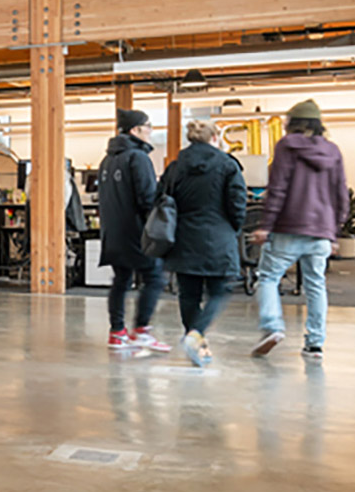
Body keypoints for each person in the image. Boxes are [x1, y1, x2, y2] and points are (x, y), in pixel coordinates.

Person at [248, 100, 346, 359]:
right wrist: (334, 231)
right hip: (321, 231)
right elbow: (341, 194)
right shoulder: (333, 151)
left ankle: (272, 326)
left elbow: (278, 188)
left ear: (292, 123)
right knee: (316, 285)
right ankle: (315, 343)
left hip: (288, 227)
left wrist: (265, 225)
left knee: (268, 278)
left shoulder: (286, 146)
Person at [157, 117, 251, 368]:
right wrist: (233, 228)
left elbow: (161, 200)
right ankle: (196, 335)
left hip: (183, 237)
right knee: (220, 290)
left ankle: (195, 342)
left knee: (188, 294)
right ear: (214, 138)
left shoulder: (175, 167)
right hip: (218, 237)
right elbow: (238, 204)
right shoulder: (228, 165)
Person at [97, 109, 169, 354]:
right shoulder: (138, 158)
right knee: (155, 277)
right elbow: (147, 198)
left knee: (121, 280)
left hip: (113, 233)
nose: (151, 131)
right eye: (148, 126)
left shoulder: (106, 160)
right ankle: (141, 331)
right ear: (135, 130)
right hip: (136, 233)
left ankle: (117, 332)